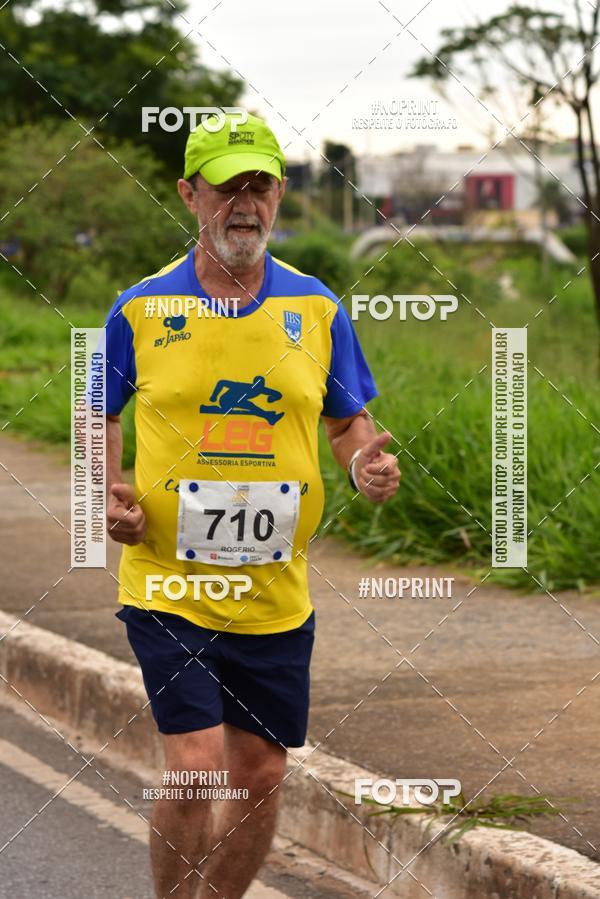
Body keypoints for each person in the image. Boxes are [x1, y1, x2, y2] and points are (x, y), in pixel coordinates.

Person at [104, 111, 401, 899]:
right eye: (227, 185)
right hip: (170, 582)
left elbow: (347, 421)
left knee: (261, 772)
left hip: (273, 592)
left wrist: (366, 464)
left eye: (260, 184)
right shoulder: (139, 308)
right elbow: (93, 410)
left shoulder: (317, 309)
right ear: (188, 194)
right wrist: (107, 493)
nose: (245, 201)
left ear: (279, 195)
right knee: (199, 766)